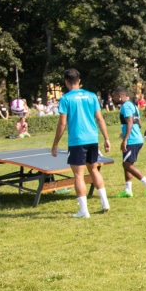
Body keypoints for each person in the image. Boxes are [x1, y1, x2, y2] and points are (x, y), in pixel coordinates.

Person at [51, 68, 111, 219]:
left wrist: (55, 143)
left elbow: (62, 123)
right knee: (94, 170)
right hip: (92, 138)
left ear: (66, 82)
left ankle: (84, 211)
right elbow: (100, 118)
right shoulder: (91, 96)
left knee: (78, 175)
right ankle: (104, 203)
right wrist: (106, 138)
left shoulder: (65, 99)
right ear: (79, 80)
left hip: (77, 140)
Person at [113, 87, 146, 198]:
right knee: (127, 164)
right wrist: (125, 133)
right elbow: (139, 123)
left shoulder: (125, 106)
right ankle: (128, 190)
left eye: (114, 96)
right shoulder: (132, 105)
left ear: (120, 96)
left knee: (126, 164)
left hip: (132, 140)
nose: (113, 98)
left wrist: (125, 139)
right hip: (136, 138)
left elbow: (130, 122)